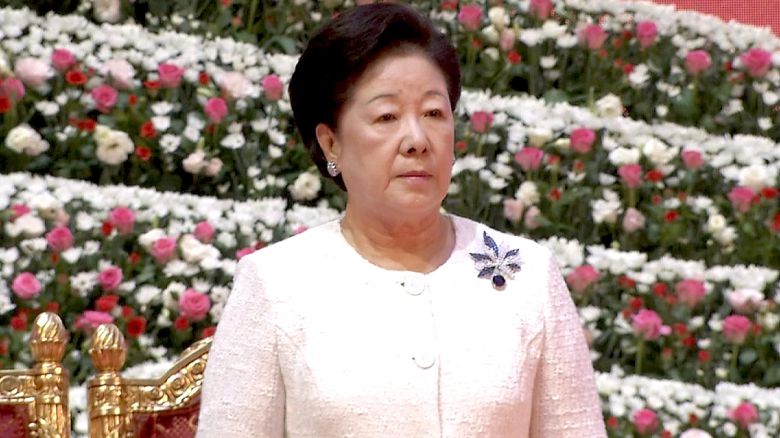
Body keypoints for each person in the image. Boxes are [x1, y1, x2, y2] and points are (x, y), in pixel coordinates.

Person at [197, 3, 606, 437]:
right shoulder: (276, 283)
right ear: (331, 143)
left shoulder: (528, 275)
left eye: (434, 114)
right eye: (387, 117)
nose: (417, 140)